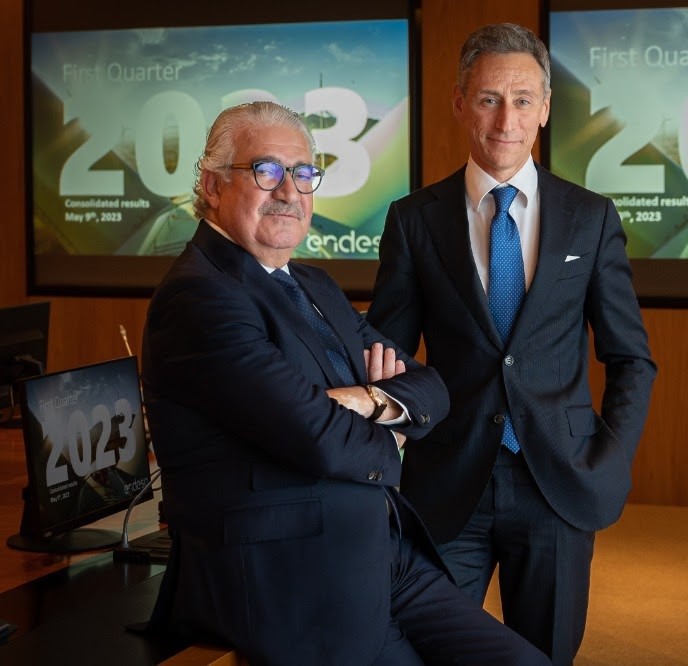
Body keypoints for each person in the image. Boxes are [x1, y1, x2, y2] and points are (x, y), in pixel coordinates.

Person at [141, 101, 548, 665]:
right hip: (296, 583)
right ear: (212, 185)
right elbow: (317, 436)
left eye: (303, 173)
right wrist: (393, 432)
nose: (289, 191)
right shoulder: (200, 297)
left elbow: (430, 387)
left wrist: (367, 400)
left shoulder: (312, 284)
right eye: (266, 171)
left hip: (384, 555)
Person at [366, 23, 657, 665]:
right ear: (460, 103)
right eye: (489, 99)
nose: (507, 119)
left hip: (558, 482)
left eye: (523, 100)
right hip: (446, 481)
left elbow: (631, 358)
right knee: (428, 650)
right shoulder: (413, 220)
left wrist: (610, 460)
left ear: (545, 108)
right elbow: (388, 354)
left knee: (544, 656)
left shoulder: (590, 217)